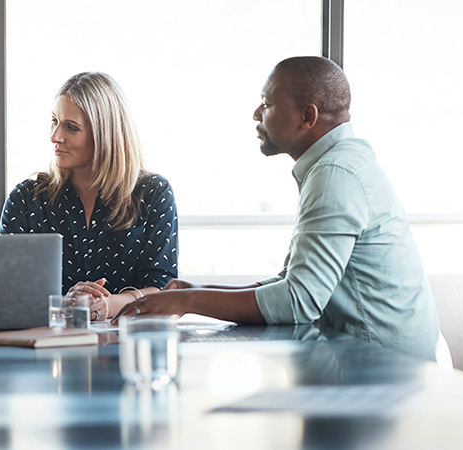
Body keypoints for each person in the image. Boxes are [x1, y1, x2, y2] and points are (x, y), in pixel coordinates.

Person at [114, 57, 441, 361]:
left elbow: (298, 301)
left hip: (386, 370)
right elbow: (293, 280)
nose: (257, 114)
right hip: (372, 358)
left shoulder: (335, 174)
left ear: (307, 117)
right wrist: (196, 290)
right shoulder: (340, 164)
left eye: (267, 104)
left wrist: (185, 302)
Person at [0, 72, 178, 322]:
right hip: (46, 344)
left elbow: (163, 288)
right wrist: (66, 304)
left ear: (105, 134)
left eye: (71, 127)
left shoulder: (153, 193)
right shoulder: (26, 198)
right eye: (54, 121)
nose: (55, 136)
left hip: (126, 346)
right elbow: (3, 289)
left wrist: (110, 304)